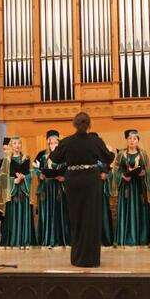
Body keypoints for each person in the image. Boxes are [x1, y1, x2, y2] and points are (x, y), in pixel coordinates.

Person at [49, 112, 114, 267]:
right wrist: (110, 150)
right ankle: (90, 259)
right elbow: (108, 158)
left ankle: (77, 258)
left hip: (73, 181)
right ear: (89, 125)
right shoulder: (95, 140)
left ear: (74, 124)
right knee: (91, 219)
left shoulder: (67, 141)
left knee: (76, 218)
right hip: (91, 180)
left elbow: (54, 157)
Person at [0, 136, 36, 249]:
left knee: (24, 215)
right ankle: (13, 240)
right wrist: (14, 180)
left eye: (19, 143)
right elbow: (2, 177)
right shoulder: (7, 160)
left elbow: (31, 175)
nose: (17, 145)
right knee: (13, 216)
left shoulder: (26, 158)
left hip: (24, 192)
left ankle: (25, 240)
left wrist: (24, 177)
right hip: (12, 194)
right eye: (14, 143)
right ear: (11, 146)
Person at [112, 130, 150, 247]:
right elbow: (116, 169)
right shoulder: (121, 154)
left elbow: (148, 169)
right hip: (126, 188)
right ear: (127, 140)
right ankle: (126, 238)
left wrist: (144, 173)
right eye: (130, 139)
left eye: (134, 139)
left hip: (139, 187)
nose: (132, 141)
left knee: (139, 210)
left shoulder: (143, 154)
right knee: (126, 210)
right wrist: (122, 175)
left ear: (138, 140)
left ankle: (140, 238)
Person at [34, 130, 70, 248]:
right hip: (48, 188)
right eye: (51, 143)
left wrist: (64, 177)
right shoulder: (43, 156)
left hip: (59, 187)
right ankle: (48, 239)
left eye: (56, 143)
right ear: (48, 144)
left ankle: (61, 238)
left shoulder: (65, 157)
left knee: (60, 212)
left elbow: (69, 170)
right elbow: (36, 168)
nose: (54, 145)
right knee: (48, 212)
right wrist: (40, 175)